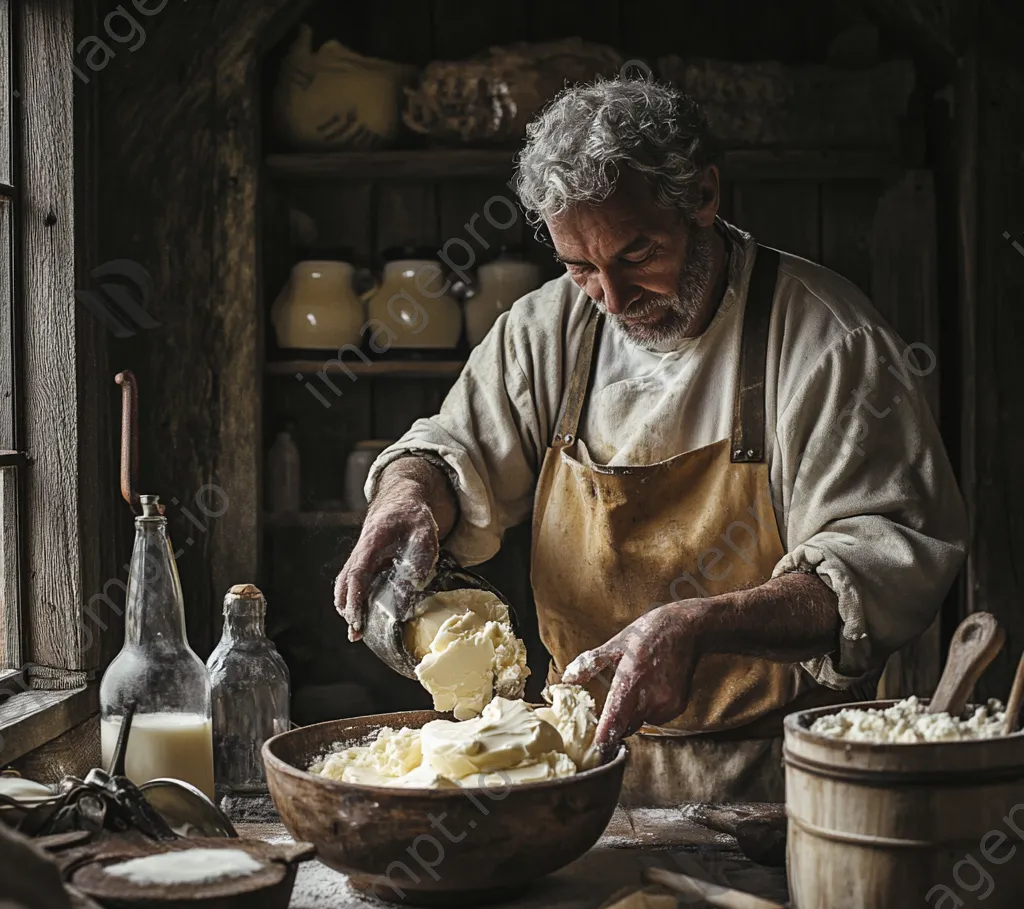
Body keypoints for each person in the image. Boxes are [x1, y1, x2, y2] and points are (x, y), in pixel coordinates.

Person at [334, 78, 967, 802]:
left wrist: (700, 624)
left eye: (637, 255)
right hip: (572, 773)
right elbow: (451, 451)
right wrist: (409, 496)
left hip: (776, 789)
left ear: (702, 197)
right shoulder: (547, 332)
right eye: (580, 268)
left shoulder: (828, 344)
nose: (613, 297)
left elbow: (876, 567)